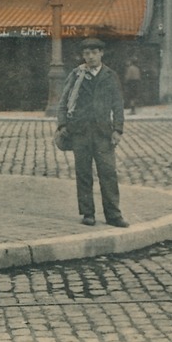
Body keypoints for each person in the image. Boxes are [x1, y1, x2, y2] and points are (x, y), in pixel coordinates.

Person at [56, 38, 129, 228]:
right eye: (87, 53)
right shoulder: (76, 74)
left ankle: (113, 214)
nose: (90, 56)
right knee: (83, 173)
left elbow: (118, 105)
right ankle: (88, 213)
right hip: (80, 132)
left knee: (108, 173)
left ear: (101, 54)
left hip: (103, 133)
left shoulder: (110, 75)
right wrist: (63, 125)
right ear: (83, 55)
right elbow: (63, 102)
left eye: (94, 52)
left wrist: (118, 130)